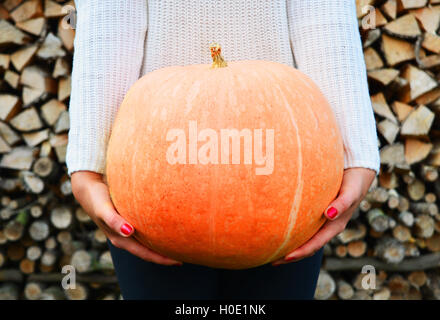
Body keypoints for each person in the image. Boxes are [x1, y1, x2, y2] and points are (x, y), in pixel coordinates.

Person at [67, 0, 380, 300]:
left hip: (288, 151)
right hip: (148, 155)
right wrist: (87, 166)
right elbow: (109, 15)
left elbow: (322, 12)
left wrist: (356, 150)